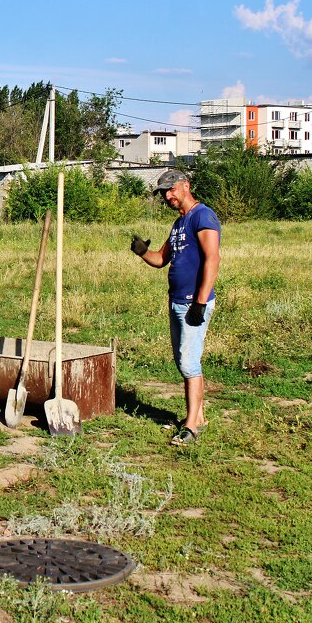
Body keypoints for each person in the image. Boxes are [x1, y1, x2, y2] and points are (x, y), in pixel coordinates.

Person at [130, 168, 221, 446]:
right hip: (177, 301)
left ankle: (191, 428)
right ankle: (199, 416)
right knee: (184, 361)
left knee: (188, 362)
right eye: (163, 193)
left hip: (194, 303)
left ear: (185, 186)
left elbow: (212, 259)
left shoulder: (202, 216)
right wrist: (142, 251)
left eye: (171, 189)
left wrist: (201, 301)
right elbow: (161, 259)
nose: (168, 196)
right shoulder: (179, 224)